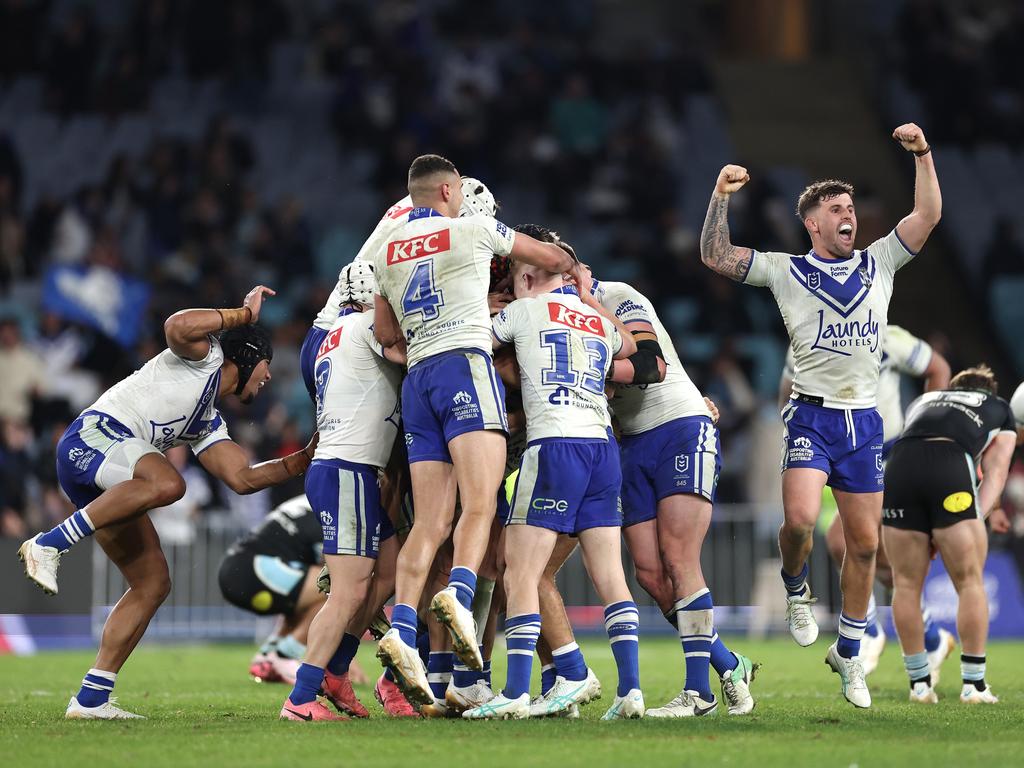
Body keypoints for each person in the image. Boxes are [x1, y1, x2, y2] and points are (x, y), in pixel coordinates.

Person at [699, 123, 941, 708]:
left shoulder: (880, 262)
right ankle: (795, 585)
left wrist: (923, 156)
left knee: (863, 546)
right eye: (836, 208)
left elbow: (927, 216)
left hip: (865, 424)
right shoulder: (786, 270)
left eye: (851, 206)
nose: (848, 214)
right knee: (803, 524)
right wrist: (721, 196)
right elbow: (714, 254)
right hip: (810, 415)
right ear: (812, 223)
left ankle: (850, 656)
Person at [18, 285, 317, 719]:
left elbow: (243, 478)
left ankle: (91, 699)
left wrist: (304, 458)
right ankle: (49, 543)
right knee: (169, 483)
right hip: (92, 438)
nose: (268, 378)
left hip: (110, 475)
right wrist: (243, 315)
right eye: (265, 367)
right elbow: (176, 325)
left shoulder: (207, 420)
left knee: (153, 582)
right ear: (250, 356)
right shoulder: (206, 358)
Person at [370, 154, 581, 705]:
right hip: (464, 362)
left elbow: (385, 330)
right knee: (480, 504)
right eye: (459, 190)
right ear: (447, 190)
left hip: (417, 380)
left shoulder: (385, 249)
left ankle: (401, 630)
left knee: (431, 520)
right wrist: (568, 270)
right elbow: (548, 256)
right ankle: (460, 601)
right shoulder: (473, 229)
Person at [464, 238, 643, 720]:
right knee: (610, 575)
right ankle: (631, 689)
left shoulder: (524, 312)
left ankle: (516, 691)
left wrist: (483, 301)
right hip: (602, 449)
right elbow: (629, 346)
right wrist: (586, 295)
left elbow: (471, 334)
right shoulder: (598, 322)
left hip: (554, 446)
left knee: (519, 570)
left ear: (525, 279)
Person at [595, 273, 759, 717]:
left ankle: (698, 692)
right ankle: (729, 662)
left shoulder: (616, 296)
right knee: (649, 573)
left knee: (679, 558)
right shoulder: (544, 316)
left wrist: (588, 361)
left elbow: (652, 365)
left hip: (678, 426)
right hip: (627, 442)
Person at [779, 326, 953, 676]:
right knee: (884, 560)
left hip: (889, 453)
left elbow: (938, 369)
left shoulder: (886, 335)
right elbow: (785, 391)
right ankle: (932, 637)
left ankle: (869, 629)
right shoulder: (804, 331)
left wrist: (925, 430)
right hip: (837, 448)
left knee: (844, 539)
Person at [279, 262, 407, 721]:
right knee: (349, 592)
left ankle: (334, 669)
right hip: (348, 470)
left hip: (345, 468)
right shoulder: (365, 325)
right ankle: (301, 697)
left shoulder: (336, 332)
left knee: (390, 572)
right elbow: (407, 355)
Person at [882, 366, 1016, 704]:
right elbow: (996, 475)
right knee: (970, 581)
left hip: (899, 465)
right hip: (949, 463)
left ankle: (920, 686)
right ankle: (973, 685)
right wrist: (972, 519)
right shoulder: (999, 408)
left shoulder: (925, 399)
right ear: (988, 391)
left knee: (906, 584)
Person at [218, 494, 367, 689]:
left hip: (238, 568)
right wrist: (341, 657)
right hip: (257, 570)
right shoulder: (337, 509)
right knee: (341, 586)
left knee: (315, 592)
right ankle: (285, 654)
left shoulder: (315, 497)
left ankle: (268, 654)